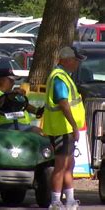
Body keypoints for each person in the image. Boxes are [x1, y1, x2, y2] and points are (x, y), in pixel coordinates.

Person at [44, 46, 86, 210]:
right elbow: (63, 103)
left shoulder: (63, 76)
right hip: (61, 128)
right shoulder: (59, 77)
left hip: (65, 128)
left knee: (69, 165)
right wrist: (74, 126)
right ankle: (55, 202)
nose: (77, 64)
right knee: (61, 166)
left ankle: (69, 200)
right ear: (67, 60)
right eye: (75, 60)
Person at [0, 68, 43, 132]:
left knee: (42, 134)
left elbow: (24, 105)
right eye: (11, 80)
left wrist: (38, 111)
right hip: (5, 127)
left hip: (20, 126)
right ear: (0, 80)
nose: (13, 83)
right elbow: (1, 105)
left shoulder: (10, 93)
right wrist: (13, 94)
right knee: (38, 132)